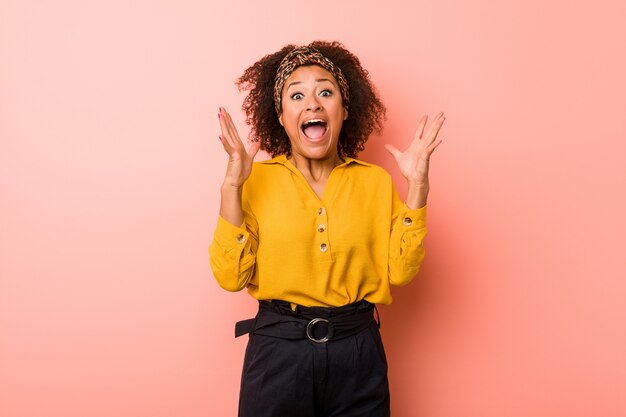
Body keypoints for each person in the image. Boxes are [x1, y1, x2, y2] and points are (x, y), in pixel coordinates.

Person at [209, 40, 444, 417]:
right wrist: (231, 189)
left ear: (344, 110)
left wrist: (418, 187)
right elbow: (231, 278)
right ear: (282, 116)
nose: (312, 104)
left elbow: (400, 273)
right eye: (296, 95)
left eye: (325, 91)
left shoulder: (376, 182)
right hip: (277, 352)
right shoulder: (255, 181)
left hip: (357, 350)